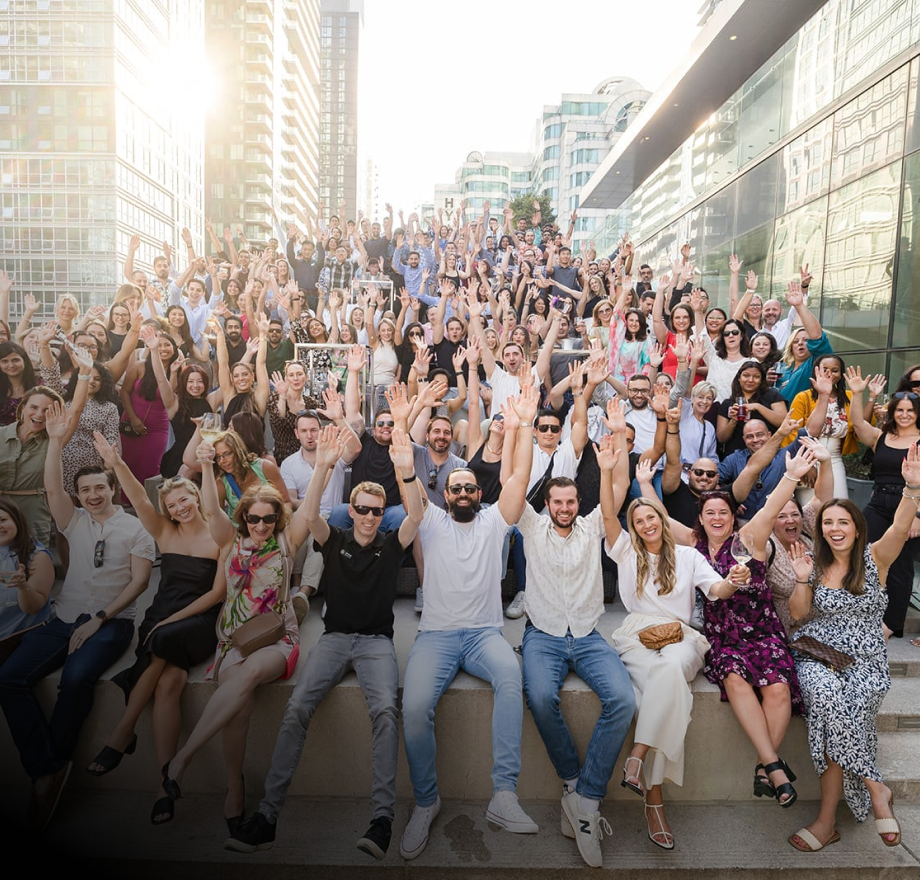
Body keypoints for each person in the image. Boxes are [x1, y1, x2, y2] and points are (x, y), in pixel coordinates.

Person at [225, 425, 425, 860]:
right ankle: (267, 818)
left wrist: (406, 472)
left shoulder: (391, 547)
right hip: (334, 639)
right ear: (350, 511)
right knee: (297, 707)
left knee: (387, 712)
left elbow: (416, 516)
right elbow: (310, 513)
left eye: (376, 511)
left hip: (375, 644)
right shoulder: (332, 541)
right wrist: (324, 466)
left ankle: (382, 820)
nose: (371, 517)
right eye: (363, 510)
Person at [399, 382, 540, 861]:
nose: (461, 492)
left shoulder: (495, 521)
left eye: (468, 487)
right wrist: (403, 421)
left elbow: (518, 475)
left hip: (484, 635)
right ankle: (425, 800)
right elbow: (405, 473)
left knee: (510, 677)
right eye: (454, 487)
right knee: (414, 708)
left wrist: (520, 424)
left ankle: (503, 795)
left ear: (479, 492)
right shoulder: (430, 519)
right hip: (435, 637)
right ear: (446, 493)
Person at [0, 403, 155, 833]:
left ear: (112, 489)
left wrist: (100, 619)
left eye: (99, 489)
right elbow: (52, 490)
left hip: (111, 623)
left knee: (76, 678)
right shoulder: (75, 522)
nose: (91, 496)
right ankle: (46, 767)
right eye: (84, 490)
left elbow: (140, 584)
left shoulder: (136, 530)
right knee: (10, 677)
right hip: (64, 618)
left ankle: (52, 767)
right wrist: (54, 441)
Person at [599, 408, 749, 851]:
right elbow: (608, 515)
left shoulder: (688, 557)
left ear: (663, 522)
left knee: (668, 675)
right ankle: (655, 800)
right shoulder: (625, 552)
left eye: (652, 518)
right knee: (672, 692)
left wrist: (733, 581)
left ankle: (638, 758)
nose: (646, 524)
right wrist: (612, 472)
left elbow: (717, 591)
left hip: (683, 635)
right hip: (636, 634)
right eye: (639, 520)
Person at [159, 442, 316, 824]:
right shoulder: (230, 542)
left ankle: (182, 759)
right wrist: (209, 466)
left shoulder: (285, 543)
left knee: (247, 676)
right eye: (253, 519)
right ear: (242, 518)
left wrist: (324, 464)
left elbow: (309, 511)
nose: (260, 525)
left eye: (267, 519)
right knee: (239, 707)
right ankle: (235, 785)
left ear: (276, 520)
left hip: (278, 639)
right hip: (234, 638)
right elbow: (210, 509)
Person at [785, 447, 920, 852]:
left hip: (866, 661)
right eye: (827, 522)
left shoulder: (875, 557)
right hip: (818, 654)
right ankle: (876, 787)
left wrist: (912, 486)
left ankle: (827, 822)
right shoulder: (812, 561)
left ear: (857, 528)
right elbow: (798, 616)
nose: (834, 528)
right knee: (826, 697)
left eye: (843, 521)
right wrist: (803, 580)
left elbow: (899, 526)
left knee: (841, 713)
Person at [84, 433, 223, 826]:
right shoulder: (165, 532)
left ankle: (121, 733)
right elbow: (140, 500)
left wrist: (171, 620)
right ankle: (165, 787)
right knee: (167, 685)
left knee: (161, 638)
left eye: (185, 499)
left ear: (197, 497)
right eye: (172, 504)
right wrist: (115, 463)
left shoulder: (219, 534)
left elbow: (216, 595)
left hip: (196, 620)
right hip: (162, 617)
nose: (179, 507)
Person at [654, 466, 805, 810]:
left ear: (733, 518)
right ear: (701, 519)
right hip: (723, 638)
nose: (718, 517)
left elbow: (770, 508)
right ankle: (775, 768)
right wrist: (647, 483)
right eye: (710, 512)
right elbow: (659, 517)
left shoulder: (749, 539)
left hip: (764, 632)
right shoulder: (694, 545)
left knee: (778, 687)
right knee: (735, 679)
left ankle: (765, 767)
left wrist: (792, 476)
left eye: (724, 511)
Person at [518, 471, 636, 868]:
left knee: (622, 699)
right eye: (558, 502)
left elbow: (617, 493)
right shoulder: (531, 528)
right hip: (543, 634)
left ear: (577, 503)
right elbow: (513, 483)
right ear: (547, 504)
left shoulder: (591, 528)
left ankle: (586, 799)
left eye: (571, 502)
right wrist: (516, 430)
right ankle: (572, 781)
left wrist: (610, 459)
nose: (565, 508)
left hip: (588, 635)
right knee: (538, 696)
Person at [845, 366, 920, 639]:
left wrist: (918, 516)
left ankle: (891, 625)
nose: (904, 415)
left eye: (910, 411)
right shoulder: (882, 437)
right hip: (878, 503)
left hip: (910, 505)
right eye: (899, 410)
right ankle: (860, 611)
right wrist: (857, 394)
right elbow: (858, 424)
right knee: (860, 553)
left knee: (900, 565)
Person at [743, 438, 834, 636]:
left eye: (794, 515)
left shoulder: (807, 532)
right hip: (786, 630)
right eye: (781, 516)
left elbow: (822, 500)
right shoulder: (766, 546)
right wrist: (790, 476)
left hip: (821, 624)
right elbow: (759, 522)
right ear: (772, 522)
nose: (790, 520)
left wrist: (825, 463)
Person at [789, 356, 858, 498]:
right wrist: (806, 463)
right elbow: (792, 434)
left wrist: (869, 398)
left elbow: (859, 427)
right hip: (808, 459)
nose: (829, 374)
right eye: (824, 369)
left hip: (835, 459)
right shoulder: (803, 397)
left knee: (839, 505)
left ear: (841, 374)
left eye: (835, 370)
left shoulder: (849, 397)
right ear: (815, 372)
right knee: (811, 510)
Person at [119, 326, 178, 488]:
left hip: (157, 428)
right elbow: (124, 392)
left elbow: (169, 400)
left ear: (174, 349)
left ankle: (148, 507)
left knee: (151, 468)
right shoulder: (139, 366)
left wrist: (173, 373)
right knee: (128, 465)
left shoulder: (178, 371)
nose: (163, 349)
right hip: (131, 422)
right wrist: (133, 418)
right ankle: (126, 504)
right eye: (159, 345)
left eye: (167, 345)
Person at [0, 499, 54, 641]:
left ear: (17, 520)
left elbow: (33, 608)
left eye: (3, 520)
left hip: (14, 638)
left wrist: (22, 585)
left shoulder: (37, 556)